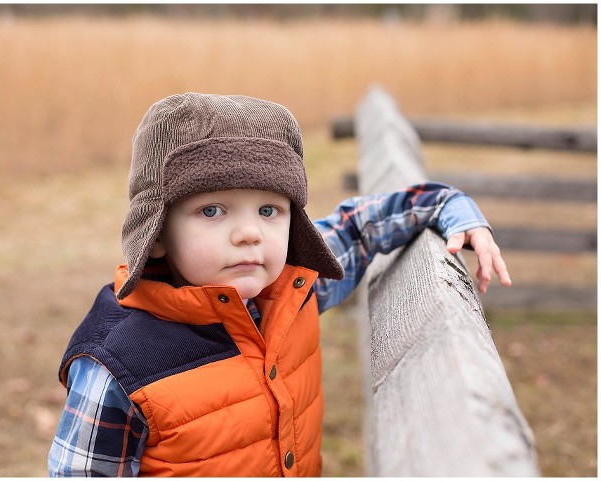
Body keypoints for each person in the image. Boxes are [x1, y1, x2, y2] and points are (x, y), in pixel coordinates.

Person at [48, 93, 512, 477]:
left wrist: (453, 209)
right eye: (212, 210)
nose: (250, 233)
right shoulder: (119, 365)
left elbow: (359, 227)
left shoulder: (292, 288)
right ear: (157, 237)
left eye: (269, 210)